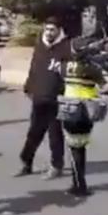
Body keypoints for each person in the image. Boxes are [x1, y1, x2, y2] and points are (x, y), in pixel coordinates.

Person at [17, 17, 72, 179]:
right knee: (34, 133)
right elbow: (34, 67)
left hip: (56, 98)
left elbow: (69, 72)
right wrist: (28, 87)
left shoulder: (65, 47)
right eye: (47, 29)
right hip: (39, 96)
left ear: (59, 31)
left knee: (55, 134)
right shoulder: (40, 44)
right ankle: (26, 163)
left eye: (52, 30)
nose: (49, 33)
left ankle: (56, 166)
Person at [59, 36, 108, 197]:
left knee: (73, 148)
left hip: (69, 109)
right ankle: (80, 183)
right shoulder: (93, 68)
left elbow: (59, 82)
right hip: (87, 111)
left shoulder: (64, 66)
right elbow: (105, 87)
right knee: (81, 148)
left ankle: (79, 185)